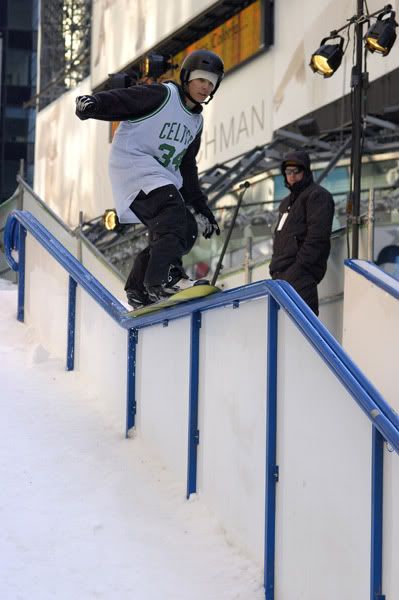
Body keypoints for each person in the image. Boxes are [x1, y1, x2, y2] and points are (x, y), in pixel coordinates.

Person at [75, 49, 223, 307]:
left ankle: (139, 288)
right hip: (133, 164)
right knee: (172, 213)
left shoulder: (196, 122)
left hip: (160, 177)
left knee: (186, 229)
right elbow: (126, 100)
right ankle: (163, 280)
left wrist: (201, 208)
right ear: (187, 77)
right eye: (201, 79)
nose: (205, 87)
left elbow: (187, 166)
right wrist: (94, 104)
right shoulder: (164, 95)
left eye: (211, 83)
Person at [269, 150, 335, 315]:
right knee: (282, 332)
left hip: (301, 278)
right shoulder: (285, 203)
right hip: (279, 278)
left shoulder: (317, 196)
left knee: (302, 331)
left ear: (305, 171)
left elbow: (317, 238)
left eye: (295, 171)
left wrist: (298, 269)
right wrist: (275, 269)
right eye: (287, 172)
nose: (291, 176)